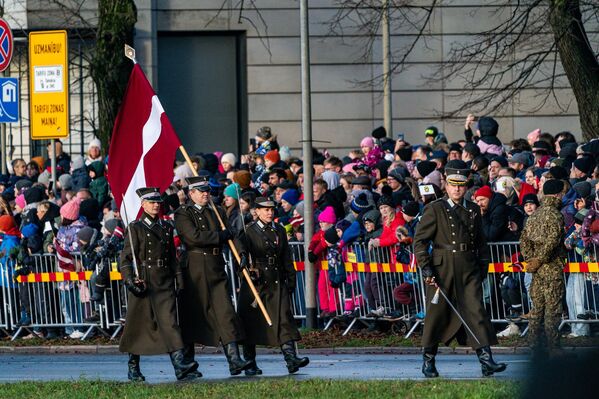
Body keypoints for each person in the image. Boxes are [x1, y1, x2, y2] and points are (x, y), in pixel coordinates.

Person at [413, 160, 506, 378]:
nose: (457, 189)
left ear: (466, 186)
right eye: (453, 184)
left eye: (461, 185)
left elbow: (481, 243)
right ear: (445, 184)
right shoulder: (434, 209)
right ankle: (428, 361)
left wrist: (483, 268)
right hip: (441, 269)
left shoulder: (472, 209)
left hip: (467, 269)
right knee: (437, 315)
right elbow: (419, 241)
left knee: (476, 312)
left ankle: (486, 361)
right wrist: (426, 268)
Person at [119, 187, 200, 382]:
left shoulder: (166, 227)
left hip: (164, 280)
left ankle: (180, 366)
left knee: (170, 322)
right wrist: (129, 280)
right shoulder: (135, 228)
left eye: (158, 202)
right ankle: (133, 367)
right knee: (137, 326)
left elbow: (173, 257)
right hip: (144, 281)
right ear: (143, 204)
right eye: (152, 202)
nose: (156, 205)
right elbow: (126, 258)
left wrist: (179, 277)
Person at [174, 176, 251, 376]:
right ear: (191, 194)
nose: (205, 193)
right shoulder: (183, 213)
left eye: (207, 190)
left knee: (225, 312)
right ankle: (187, 364)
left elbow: (232, 233)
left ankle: (234, 360)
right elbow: (193, 237)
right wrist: (219, 237)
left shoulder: (216, 211)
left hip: (216, 268)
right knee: (191, 315)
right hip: (194, 269)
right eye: (201, 191)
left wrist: (241, 253)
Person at [237, 197, 309, 375]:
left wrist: (291, 279)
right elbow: (240, 249)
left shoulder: (279, 230)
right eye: (265, 209)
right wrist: (243, 257)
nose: (269, 212)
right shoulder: (248, 231)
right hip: (257, 282)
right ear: (257, 212)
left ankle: (291, 359)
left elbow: (286, 256)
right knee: (251, 322)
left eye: (271, 210)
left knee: (284, 319)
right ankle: (250, 362)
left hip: (276, 280)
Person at [520, 179, 566, 354]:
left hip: (536, 269)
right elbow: (553, 240)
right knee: (553, 308)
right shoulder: (555, 214)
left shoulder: (534, 215)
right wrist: (540, 259)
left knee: (537, 307)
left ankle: (534, 345)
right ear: (557, 194)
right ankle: (553, 346)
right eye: (561, 193)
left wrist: (530, 259)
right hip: (551, 266)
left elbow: (523, 239)